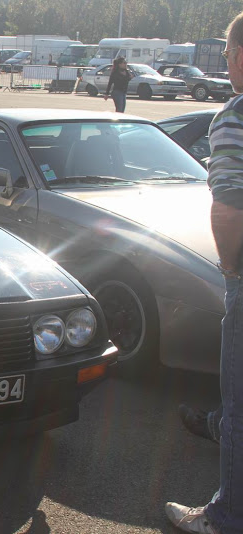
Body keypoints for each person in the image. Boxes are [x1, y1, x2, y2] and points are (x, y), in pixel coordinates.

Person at [164, 11, 243, 534]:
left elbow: (230, 206)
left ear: (238, 57)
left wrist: (232, 270)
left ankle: (226, 516)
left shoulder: (234, 116)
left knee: (238, 407)